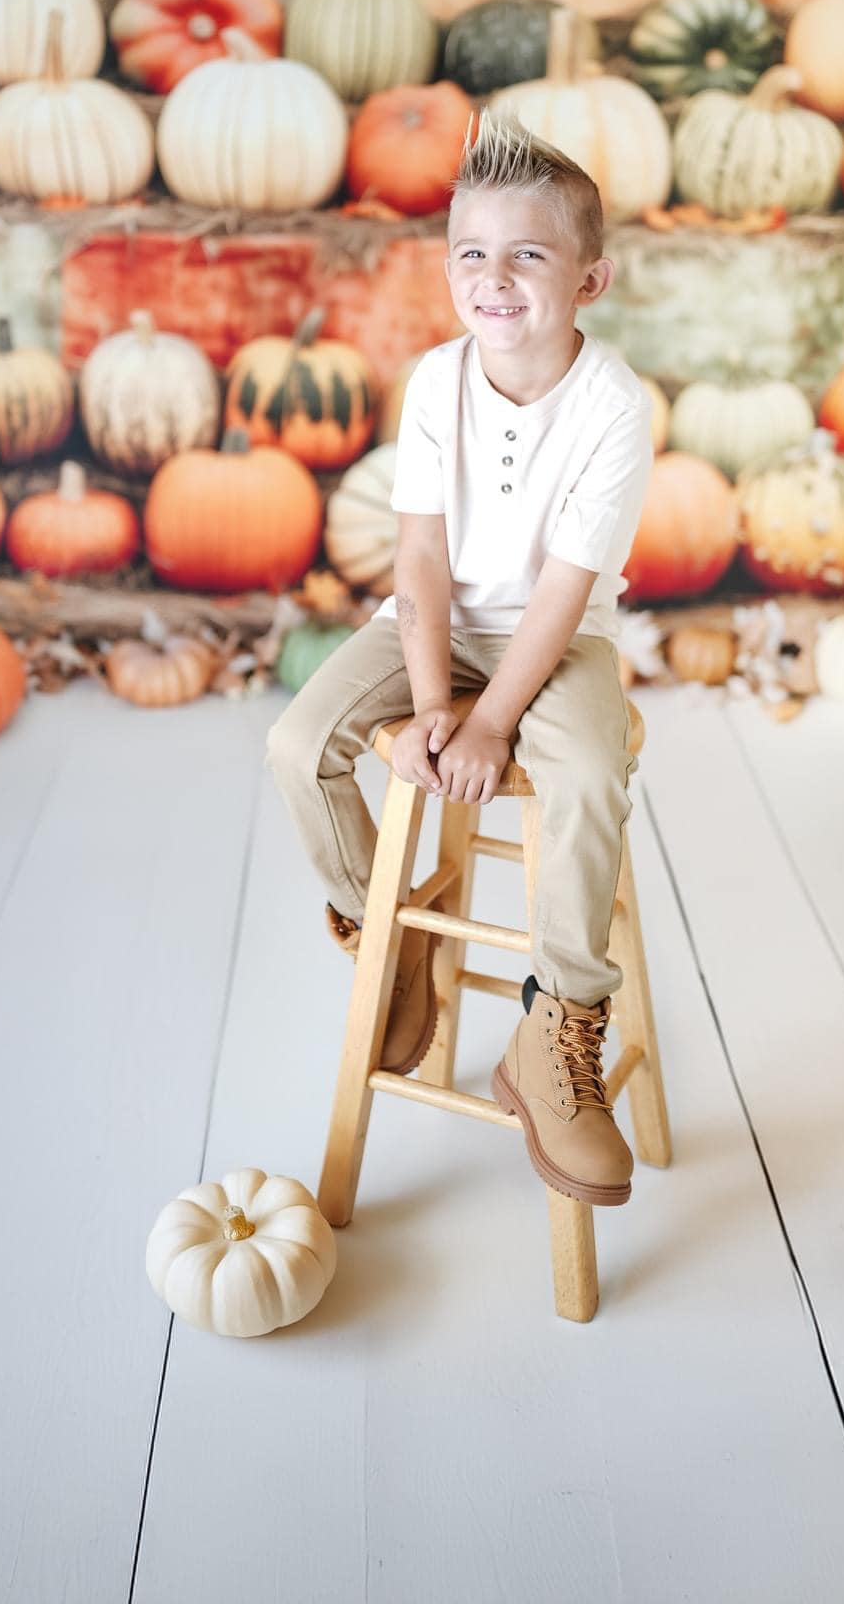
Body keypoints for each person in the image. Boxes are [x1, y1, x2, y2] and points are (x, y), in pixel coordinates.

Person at [265, 116, 656, 1208]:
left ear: (589, 278)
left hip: (554, 634)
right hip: (430, 622)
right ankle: (386, 947)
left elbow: (566, 589)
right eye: (471, 254)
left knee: (585, 774)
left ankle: (557, 1022)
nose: (495, 279)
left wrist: (492, 723)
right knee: (299, 744)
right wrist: (438, 700)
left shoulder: (615, 408)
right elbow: (422, 552)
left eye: (529, 254)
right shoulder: (437, 380)